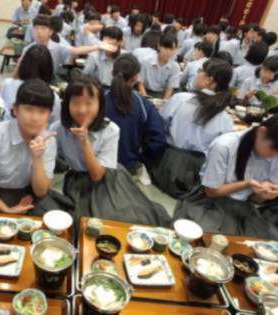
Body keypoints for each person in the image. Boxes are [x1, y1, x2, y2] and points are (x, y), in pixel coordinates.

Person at [50, 74, 170, 226]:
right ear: (67, 104)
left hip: (108, 178)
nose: (82, 110)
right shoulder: (59, 128)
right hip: (77, 181)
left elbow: (97, 175)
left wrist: (84, 142)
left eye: (89, 103)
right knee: (83, 224)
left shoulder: (111, 130)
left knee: (130, 218)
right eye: (76, 103)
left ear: (100, 104)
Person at [0, 79, 72, 214]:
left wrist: (37, 158)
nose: (35, 118)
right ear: (16, 109)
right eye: (29, 109)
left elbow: (41, 192)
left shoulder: (48, 139)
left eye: (42, 111)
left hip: (29, 193)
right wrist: (6, 209)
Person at [174, 115, 278, 239]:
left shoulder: (274, 157)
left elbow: (254, 200)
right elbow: (211, 191)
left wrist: (263, 195)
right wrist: (247, 184)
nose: (274, 156)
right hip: (207, 201)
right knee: (209, 239)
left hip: (243, 206)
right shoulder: (224, 145)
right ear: (261, 132)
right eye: (274, 149)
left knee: (264, 243)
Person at [148, 59, 234, 198]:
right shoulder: (225, 118)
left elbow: (159, 127)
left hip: (165, 166)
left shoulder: (181, 99)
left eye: (200, 71)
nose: (197, 73)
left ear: (209, 80)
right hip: (194, 178)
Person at [105, 54, 166, 172]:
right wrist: (141, 158)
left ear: (112, 72)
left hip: (97, 165)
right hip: (129, 168)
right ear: (136, 77)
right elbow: (158, 140)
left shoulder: (98, 100)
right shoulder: (144, 105)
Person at [23, 15, 117, 76]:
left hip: (50, 80)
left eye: (43, 28)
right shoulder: (27, 49)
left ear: (51, 31)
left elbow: (76, 50)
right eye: (36, 28)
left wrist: (97, 46)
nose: (39, 32)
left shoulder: (57, 47)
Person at [0, 44, 61, 124]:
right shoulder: (54, 98)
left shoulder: (7, 84)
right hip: (38, 135)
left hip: (7, 128)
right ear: (49, 69)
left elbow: (2, 104)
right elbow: (54, 124)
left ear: (24, 63)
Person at [139, 34, 180, 99]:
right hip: (146, 90)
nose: (168, 52)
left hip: (161, 93)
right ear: (159, 46)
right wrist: (145, 98)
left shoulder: (175, 67)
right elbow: (140, 83)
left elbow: (169, 89)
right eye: (166, 48)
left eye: (172, 49)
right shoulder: (146, 61)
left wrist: (163, 103)